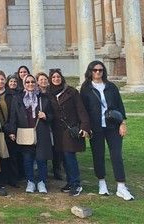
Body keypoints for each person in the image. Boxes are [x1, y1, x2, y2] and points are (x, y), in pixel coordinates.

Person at [80, 61, 134, 201]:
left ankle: (121, 186)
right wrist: (85, 127)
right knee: (98, 155)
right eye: (95, 70)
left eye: (100, 70)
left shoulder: (111, 87)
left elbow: (119, 105)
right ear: (90, 71)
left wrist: (122, 123)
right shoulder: (86, 88)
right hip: (95, 127)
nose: (98, 72)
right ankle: (101, 182)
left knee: (116, 155)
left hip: (112, 126)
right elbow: (83, 110)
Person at [8, 74, 54, 194]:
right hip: (25, 131)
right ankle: (30, 181)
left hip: (41, 131)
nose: (30, 84)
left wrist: (46, 116)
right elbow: (13, 115)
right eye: (27, 82)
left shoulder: (43, 97)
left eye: (32, 82)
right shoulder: (18, 98)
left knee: (41, 158)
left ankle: (42, 181)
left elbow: (52, 115)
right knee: (27, 158)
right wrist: (12, 131)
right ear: (24, 84)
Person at [48, 68, 90, 197]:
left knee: (70, 156)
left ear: (62, 78)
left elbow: (80, 109)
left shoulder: (72, 92)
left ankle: (76, 184)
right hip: (58, 130)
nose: (56, 79)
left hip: (70, 128)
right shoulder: (50, 94)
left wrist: (85, 126)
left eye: (58, 77)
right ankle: (70, 181)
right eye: (53, 77)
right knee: (63, 157)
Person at [0, 70, 19, 188]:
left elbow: (14, 113)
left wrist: (12, 129)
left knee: (12, 155)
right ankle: (0, 179)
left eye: (2, 79)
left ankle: (12, 178)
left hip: (9, 128)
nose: (0, 81)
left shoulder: (12, 94)